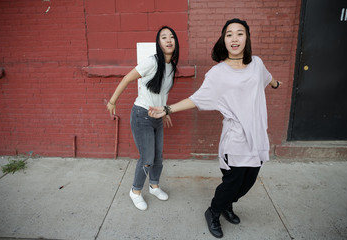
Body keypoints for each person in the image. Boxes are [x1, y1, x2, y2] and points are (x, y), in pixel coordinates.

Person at [148, 18, 281, 238]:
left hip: (257, 137)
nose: (234, 38)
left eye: (239, 33)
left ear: (247, 37)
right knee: (231, 183)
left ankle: (228, 205)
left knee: (248, 183)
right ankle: (214, 211)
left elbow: (268, 78)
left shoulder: (257, 64)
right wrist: (168, 109)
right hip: (236, 140)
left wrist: (276, 84)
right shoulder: (218, 73)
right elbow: (196, 98)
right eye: (229, 34)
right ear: (224, 40)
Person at [106, 26, 179, 211]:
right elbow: (126, 78)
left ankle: (154, 186)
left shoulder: (171, 66)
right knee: (147, 157)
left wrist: (165, 112)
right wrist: (112, 101)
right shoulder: (152, 62)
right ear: (159, 43)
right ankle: (135, 191)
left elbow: (162, 92)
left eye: (171, 37)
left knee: (159, 157)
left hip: (156, 116)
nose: (169, 40)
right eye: (164, 37)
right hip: (142, 115)